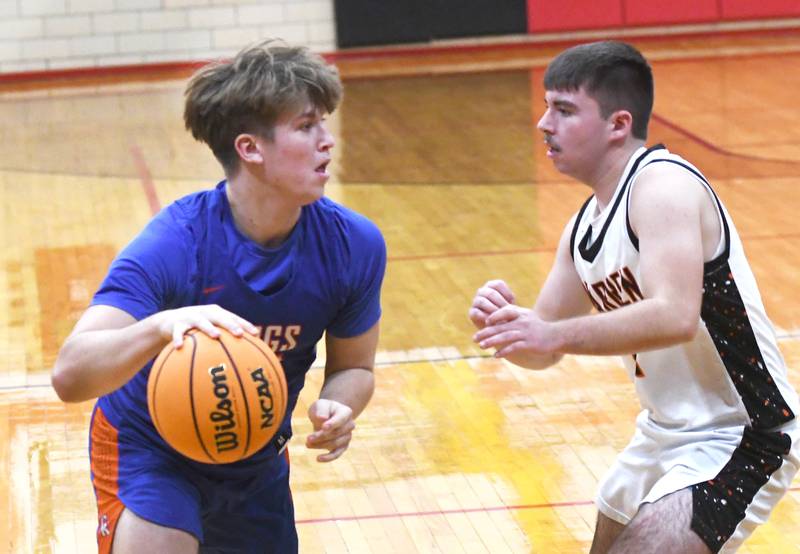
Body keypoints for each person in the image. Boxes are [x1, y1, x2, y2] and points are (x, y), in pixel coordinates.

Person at [52, 40, 386, 553]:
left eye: (324, 123)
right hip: (151, 450)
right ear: (250, 148)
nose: (328, 140)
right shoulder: (175, 244)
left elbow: (355, 368)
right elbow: (71, 375)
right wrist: (162, 325)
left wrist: (339, 407)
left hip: (254, 455)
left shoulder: (354, 245)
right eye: (306, 126)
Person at [469, 41, 799, 553]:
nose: (543, 124)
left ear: (618, 124)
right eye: (545, 106)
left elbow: (674, 315)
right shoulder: (584, 227)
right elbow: (545, 349)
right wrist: (510, 329)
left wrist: (548, 331)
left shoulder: (662, 185)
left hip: (743, 432)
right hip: (662, 435)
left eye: (563, 109)